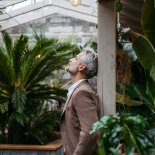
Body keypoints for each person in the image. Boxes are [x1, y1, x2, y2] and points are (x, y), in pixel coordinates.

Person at [60, 48, 99, 155]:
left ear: (81, 67)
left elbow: (91, 132)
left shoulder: (82, 92)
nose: (70, 59)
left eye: (75, 58)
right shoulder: (78, 90)